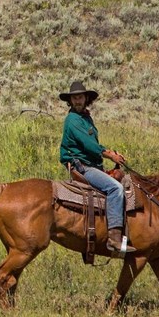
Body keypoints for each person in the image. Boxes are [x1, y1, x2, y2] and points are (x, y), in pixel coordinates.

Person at [58, 81, 135, 256]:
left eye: (80, 97)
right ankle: (114, 238)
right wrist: (110, 155)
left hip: (92, 165)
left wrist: (109, 152)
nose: (77, 101)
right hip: (83, 167)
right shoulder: (72, 120)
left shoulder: (86, 117)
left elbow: (93, 144)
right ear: (70, 101)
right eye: (74, 98)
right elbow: (89, 145)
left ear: (86, 99)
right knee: (115, 188)